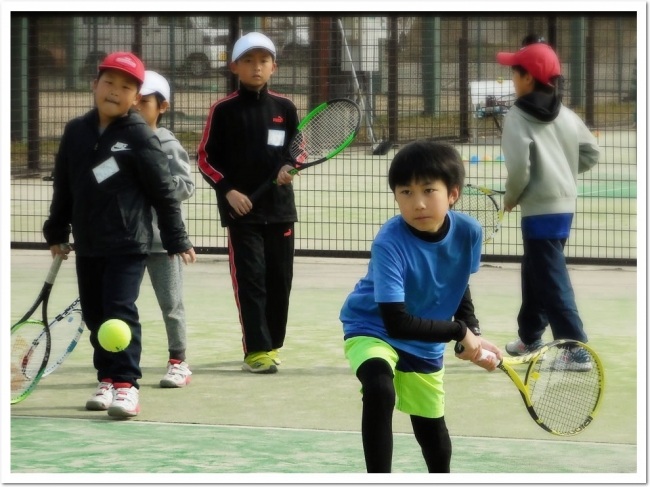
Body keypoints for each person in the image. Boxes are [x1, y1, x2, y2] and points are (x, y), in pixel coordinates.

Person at [43, 52, 197, 418]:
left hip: (129, 242)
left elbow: (163, 191)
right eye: (109, 82)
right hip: (88, 242)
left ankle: (127, 385)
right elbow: (64, 187)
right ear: (94, 85)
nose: (115, 91)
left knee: (119, 312)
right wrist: (56, 229)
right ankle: (107, 379)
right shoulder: (75, 131)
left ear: (135, 96)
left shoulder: (140, 135)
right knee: (96, 316)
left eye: (126, 86)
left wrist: (177, 239)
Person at [339, 140, 502, 473]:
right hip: (372, 327)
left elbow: (460, 284)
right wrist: (458, 331)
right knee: (379, 388)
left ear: (452, 193)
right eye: (406, 193)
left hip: (425, 339)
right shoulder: (389, 241)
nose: (418, 203)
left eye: (429, 190)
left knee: (431, 429)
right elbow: (395, 323)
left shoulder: (469, 232)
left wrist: (472, 331)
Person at [197, 33, 299, 374]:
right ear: (234, 67)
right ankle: (256, 349)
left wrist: (290, 166)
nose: (257, 67)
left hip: (281, 211)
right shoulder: (222, 110)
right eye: (249, 61)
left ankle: (272, 344)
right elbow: (205, 158)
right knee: (251, 280)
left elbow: (297, 149)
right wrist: (228, 190)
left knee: (279, 281)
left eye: (263, 61)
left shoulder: (285, 108)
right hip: (242, 215)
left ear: (274, 67)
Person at [496, 42, 600, 366]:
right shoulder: (567, 115)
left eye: (515, 71)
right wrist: (563, 173)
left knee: (551, 279)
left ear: (528, 78)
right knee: (536, 271)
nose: (512, 76)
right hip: (564, 207)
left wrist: (511, 197)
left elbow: (519, 169)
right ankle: (530, 338)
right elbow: (591, 153)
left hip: (538, 210)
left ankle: (575, 349)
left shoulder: (516, 116)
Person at [136, 70, 194, 388]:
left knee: (171, 304)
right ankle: (120, 367)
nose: (136, 107)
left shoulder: (167, 144)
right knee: (121, 305)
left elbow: (186, 185)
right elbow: (102, 178)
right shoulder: (116, 142)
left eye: (144, 102)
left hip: (162, 242)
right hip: (125, 241)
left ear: (162, 106)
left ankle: (178, 362)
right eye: (133, 101)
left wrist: (153, 184)